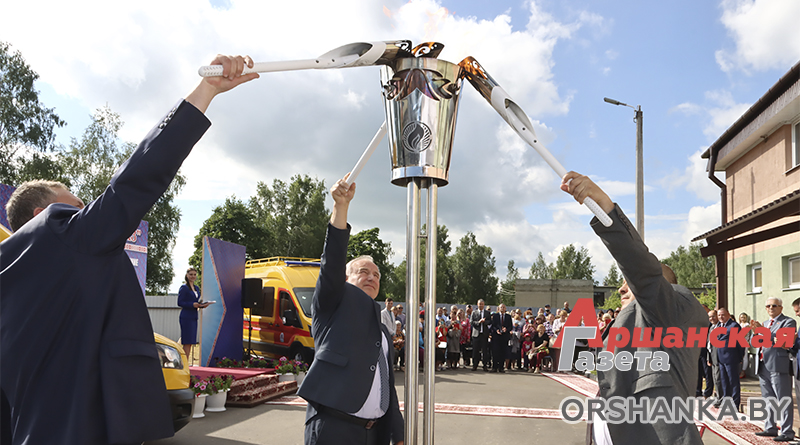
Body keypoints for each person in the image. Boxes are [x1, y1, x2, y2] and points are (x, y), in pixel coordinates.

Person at [0, 54, 257, 445]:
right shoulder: (65, 234)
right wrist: (205, 91)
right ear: (41, 216)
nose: (85, 209)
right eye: (75, 204)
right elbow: (134, 182)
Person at [561, 172, 707, 445]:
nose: (620, 289)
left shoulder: (675, 307)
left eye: (630, 283)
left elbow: (642, 269)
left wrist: (604, 207)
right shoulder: (636, 323)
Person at [298, 175, 404, 445]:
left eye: (377, 275)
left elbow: (386, 384)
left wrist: (398, 434)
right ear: (346, 279)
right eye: (364, 272)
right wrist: (341, 207)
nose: (372, 277)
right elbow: (332, 261)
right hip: (334, 429)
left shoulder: (381, 329)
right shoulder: (332, 304)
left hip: (374, 434)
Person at [751, 297, 796, 441]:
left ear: (781, 308)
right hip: (763, 364)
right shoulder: (765, 323)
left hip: (778, 365)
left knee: (783, 399)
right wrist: (755, 333)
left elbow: (783, 340)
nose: (771, 308)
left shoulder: (788, 322)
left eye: (774, 306)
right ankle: (770, 427)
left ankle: (787, 431)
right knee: (768, 399)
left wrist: (762, 331)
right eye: (768, 306)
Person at [177, 267, 211, 361]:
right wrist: (192, 304)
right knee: (187, 341)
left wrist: (202, 305)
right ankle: (184, 363)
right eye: (191, 274)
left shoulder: (196, 288)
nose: (193, 276)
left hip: (194, 317)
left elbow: (196, 302)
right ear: (187, 275)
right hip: (186, 317)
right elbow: (180, 302)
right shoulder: (184, 288)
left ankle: (185, 362)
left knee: (191, 342)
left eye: (194, 274)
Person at [715, 308, 744, 409]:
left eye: (723, 315)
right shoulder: (719, 326)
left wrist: (740, 357)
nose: (721, 317)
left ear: (728, 314)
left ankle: (735, 403)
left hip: (731, 358)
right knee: (724, 381)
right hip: (721, 358)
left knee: (733, 381)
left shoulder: (734, 326)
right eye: (719, 315)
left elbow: (740, 343)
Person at [490, 303, 512, 373]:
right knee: (495, 352)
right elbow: (493, 326)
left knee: (503, 352)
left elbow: (510, 326)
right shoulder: (495, 316)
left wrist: (506, 329)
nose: (502, 308)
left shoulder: (508, 317)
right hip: (496, 337)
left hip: (504, 337)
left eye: (503, 307)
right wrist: (497, 330)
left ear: (505, 309)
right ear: (498, 308)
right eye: (501, 307)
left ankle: (501, 367)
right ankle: (494, 367)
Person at [706, 309, 722, 407]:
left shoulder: (720, 327)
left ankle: (720, 398)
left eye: (713, 316)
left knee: (719, 378)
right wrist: (709, 358)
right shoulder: (711, 327)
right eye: (710, 317)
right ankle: (718, 397)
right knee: (715, 378)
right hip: (712, 357)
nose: (711, 318)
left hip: (719, 357)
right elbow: (709, 344)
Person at [471, 299, 491, 372]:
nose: (481, 305)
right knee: (475, 351)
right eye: (480, 304)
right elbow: (471, 322)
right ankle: (475, 365)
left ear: (484, 305)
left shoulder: (487, 313)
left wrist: (484, 322)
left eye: (482, 304)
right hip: (476, 335)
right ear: (477, 304)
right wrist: (479, 322)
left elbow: (490, 321)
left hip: (484, 335)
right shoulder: (474, 312)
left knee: (485, 351)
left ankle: (485, 365)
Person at [738, 312, 752, 379]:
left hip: (744, 341)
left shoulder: (747, 325)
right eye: (741, 317)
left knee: (745, 356)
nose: (743, 318)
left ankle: (743, 371)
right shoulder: (739, 324)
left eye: (744, 317)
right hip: (738, 342)